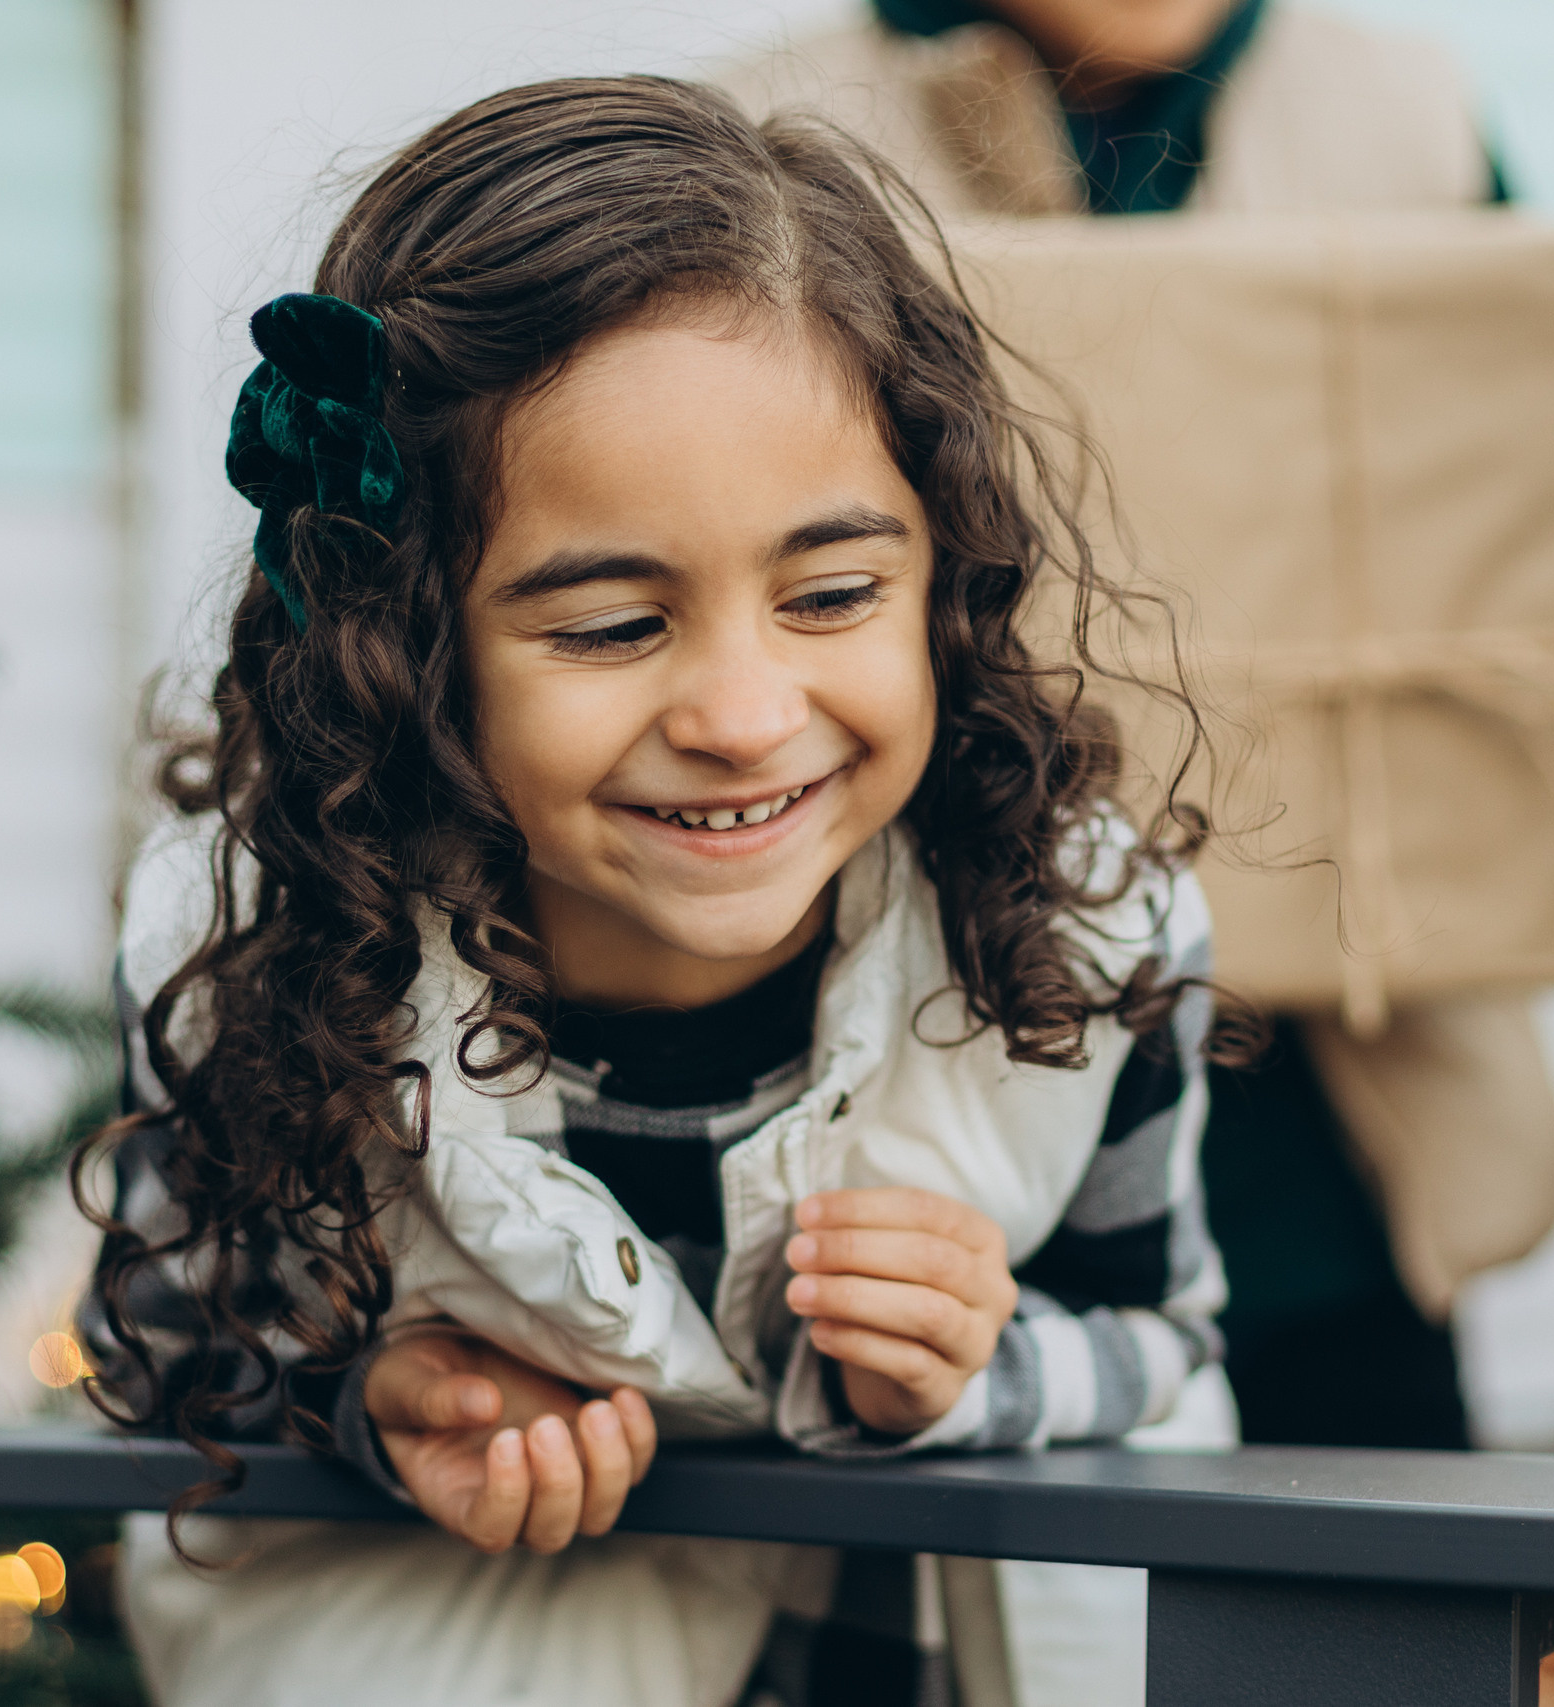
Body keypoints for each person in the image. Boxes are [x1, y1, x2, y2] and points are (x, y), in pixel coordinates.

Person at [75, 75, 1239, 1707]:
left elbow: (1164, 1339)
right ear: (404, 645)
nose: (745, 717)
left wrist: (988, 1370)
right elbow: (180, 1351)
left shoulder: (1080, 935)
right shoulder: (255, 945)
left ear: (943, 570)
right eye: (615, 627)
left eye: (832, 594)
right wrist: (377, 1398)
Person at [718, 0, 1554, 1454]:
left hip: (1337, 1180)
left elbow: (1460, 548)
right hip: (924, 1142)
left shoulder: (1403, 113)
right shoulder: (760, 130)